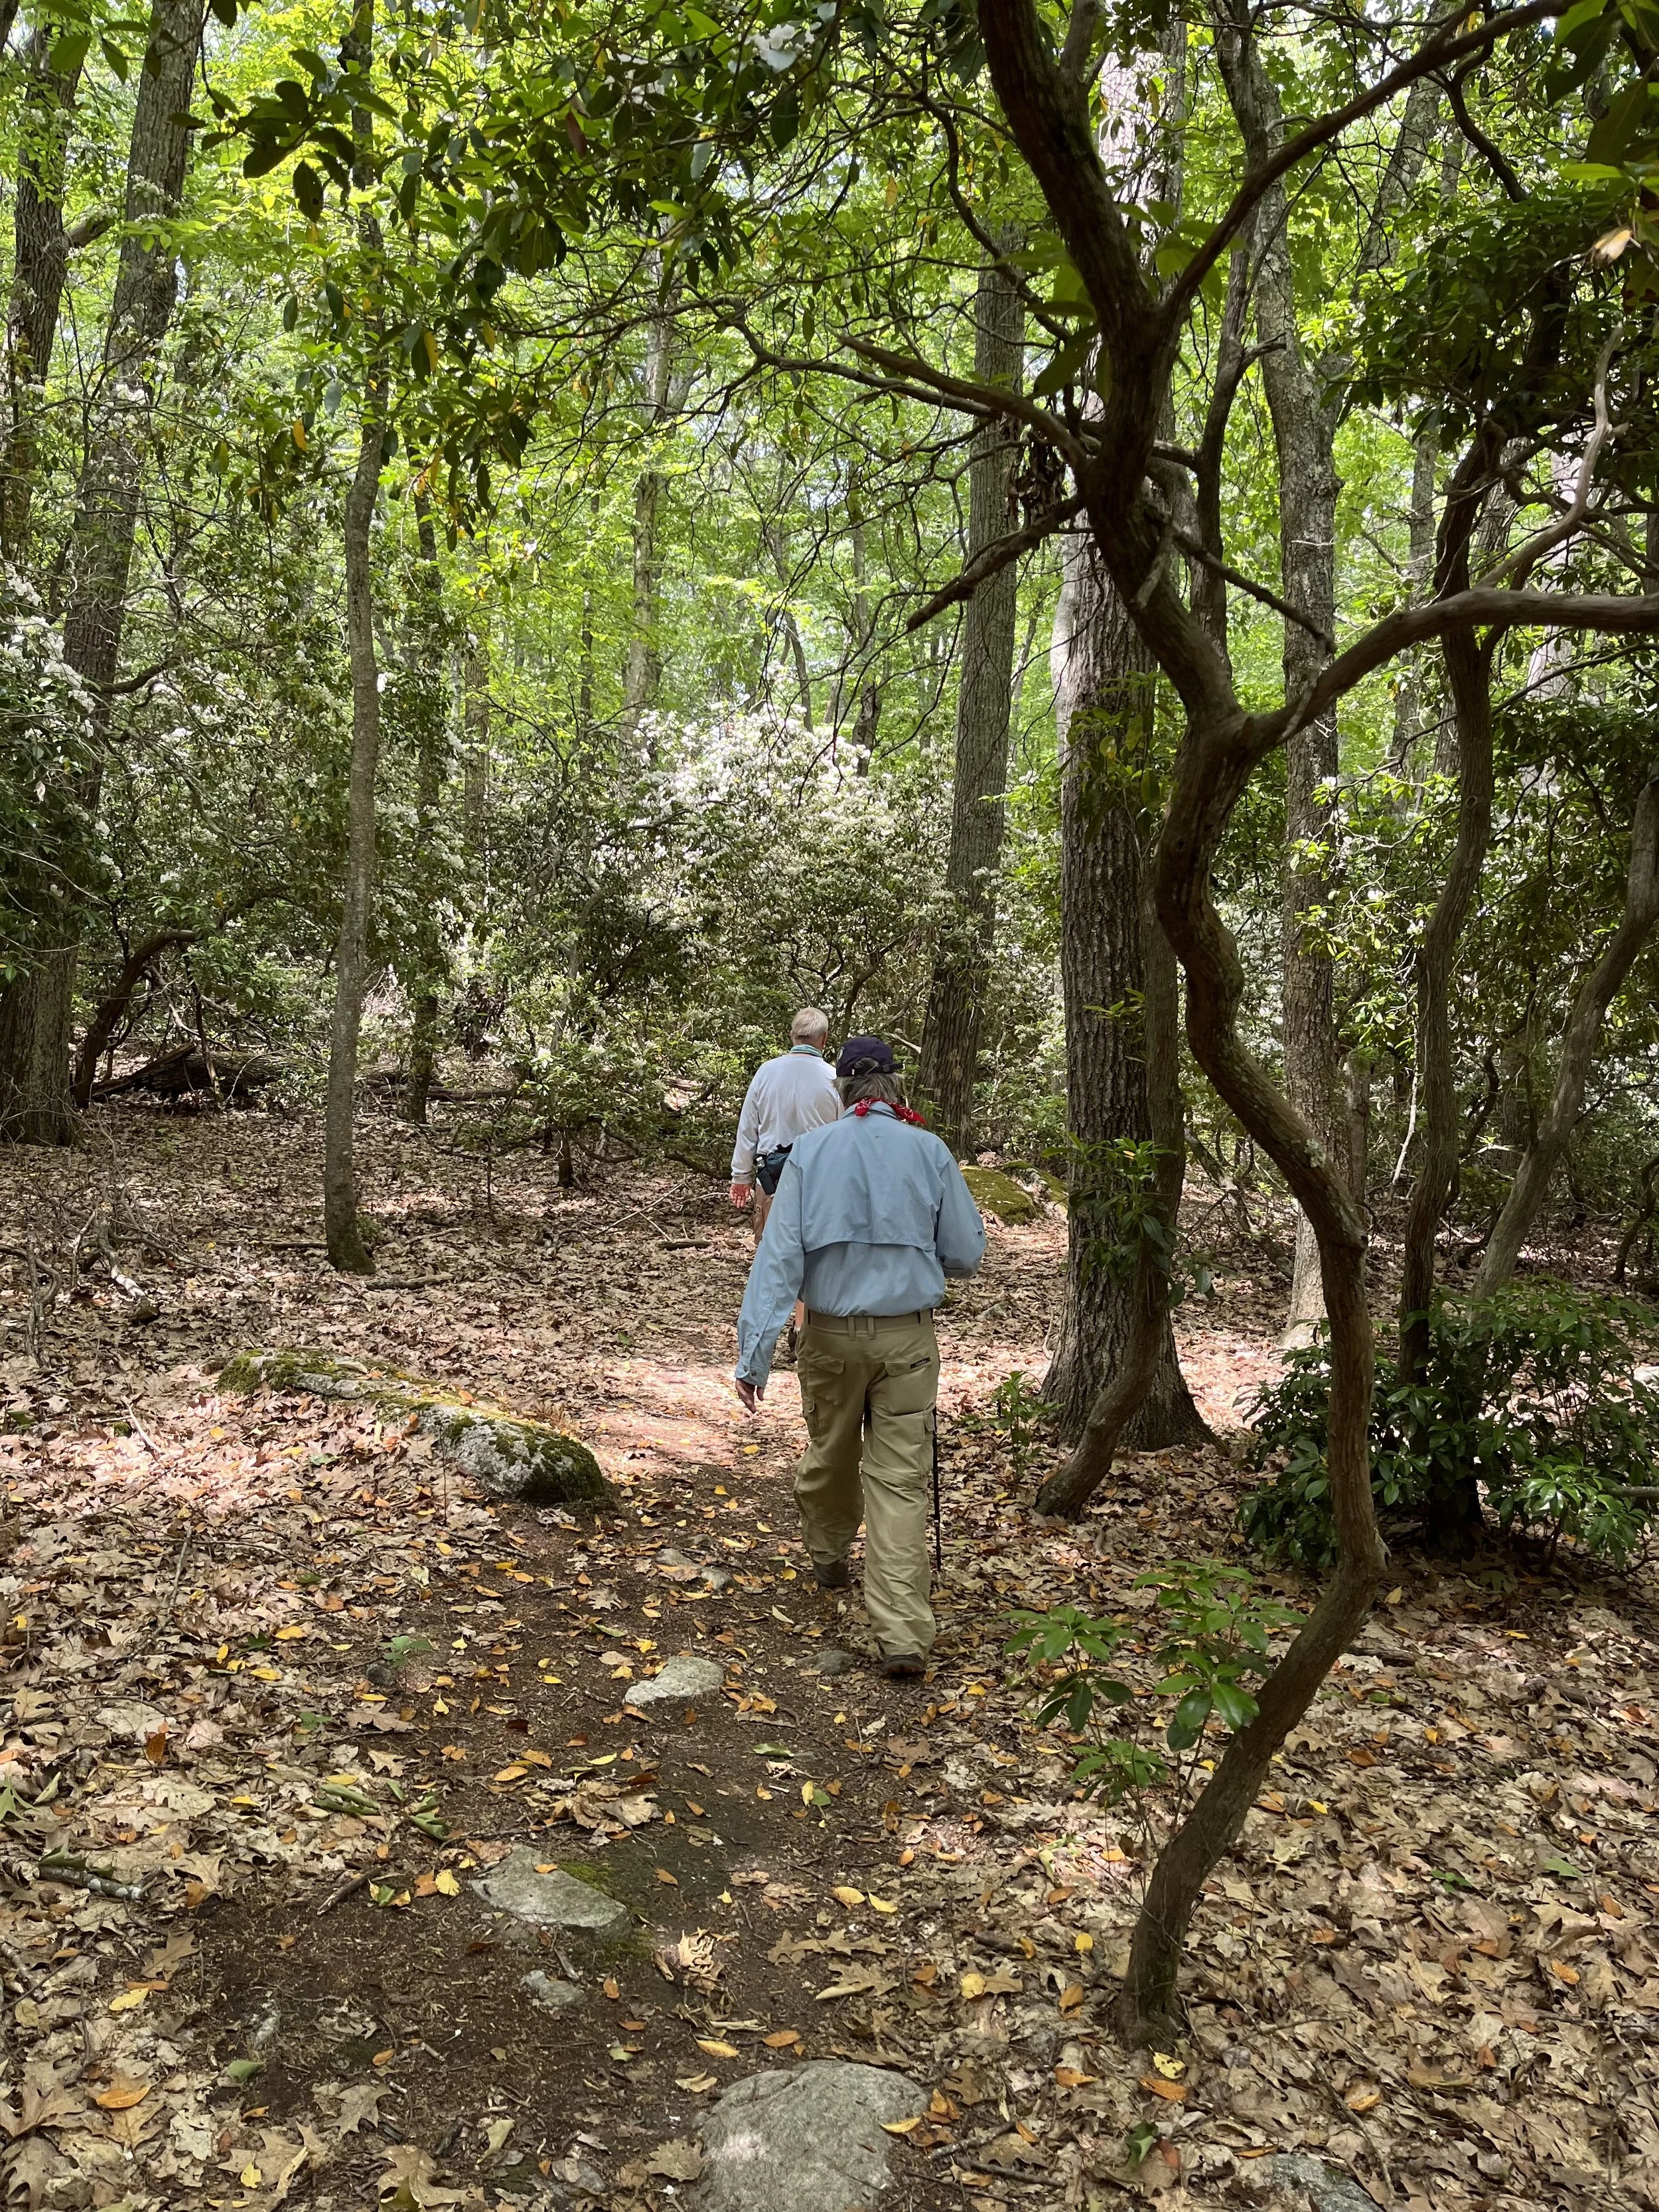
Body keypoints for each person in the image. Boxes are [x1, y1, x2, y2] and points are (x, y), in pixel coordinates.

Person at [733, 1035, 986, 1679]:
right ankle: (902, 1635)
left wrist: (754, 1354)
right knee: (898, 1483)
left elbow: (780, 1258)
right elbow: (965, 1252)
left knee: (830, 1449)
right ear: (895, 1088)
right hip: (907, 1338)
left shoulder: (811, 1152)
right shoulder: (929, 1151)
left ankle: (827, 1552)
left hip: (828, 1335)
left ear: (842, 1090)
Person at [729, 1008, 841, 1240]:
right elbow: (845, 1135)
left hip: (772, 1181)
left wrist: (741, 1176)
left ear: (792, 1035)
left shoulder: (766, 1072)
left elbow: (748, 1127)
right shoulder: (834, 1079)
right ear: (824, 1038)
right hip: (820, 1183)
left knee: (771, 1258)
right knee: (814, 1260)